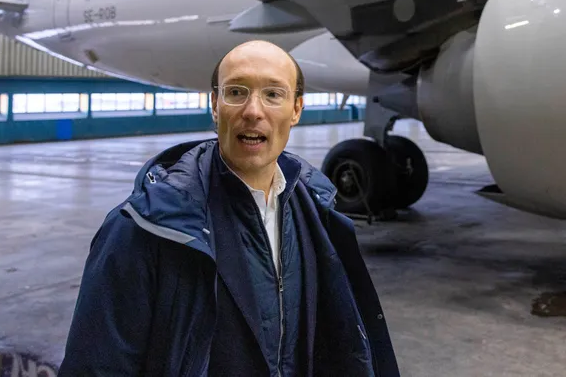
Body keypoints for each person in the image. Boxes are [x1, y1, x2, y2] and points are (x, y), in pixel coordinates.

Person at [58, 40, 399, 377]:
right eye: (236, 92)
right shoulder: (142, 227)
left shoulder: (316, 212)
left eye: (273, 94)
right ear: (215, 105)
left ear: (296, 109)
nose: (253, 111)